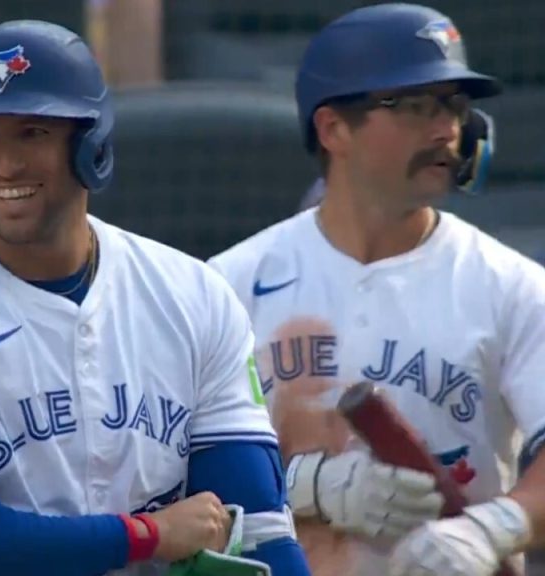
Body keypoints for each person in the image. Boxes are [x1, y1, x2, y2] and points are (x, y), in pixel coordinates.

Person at [0, 19, 310, 576]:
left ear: (91, 142)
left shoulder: (193, 296)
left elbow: (254, 528)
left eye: (32, 133)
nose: (4, 165)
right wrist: (147, 535)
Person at [207, 4, 545, 576]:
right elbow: (168, 469)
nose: (448, 130)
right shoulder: (225, 285)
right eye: (416, 106)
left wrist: (495, 527)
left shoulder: (513, 287)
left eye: (455, 107)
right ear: (333, 127)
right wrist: (309, 486)